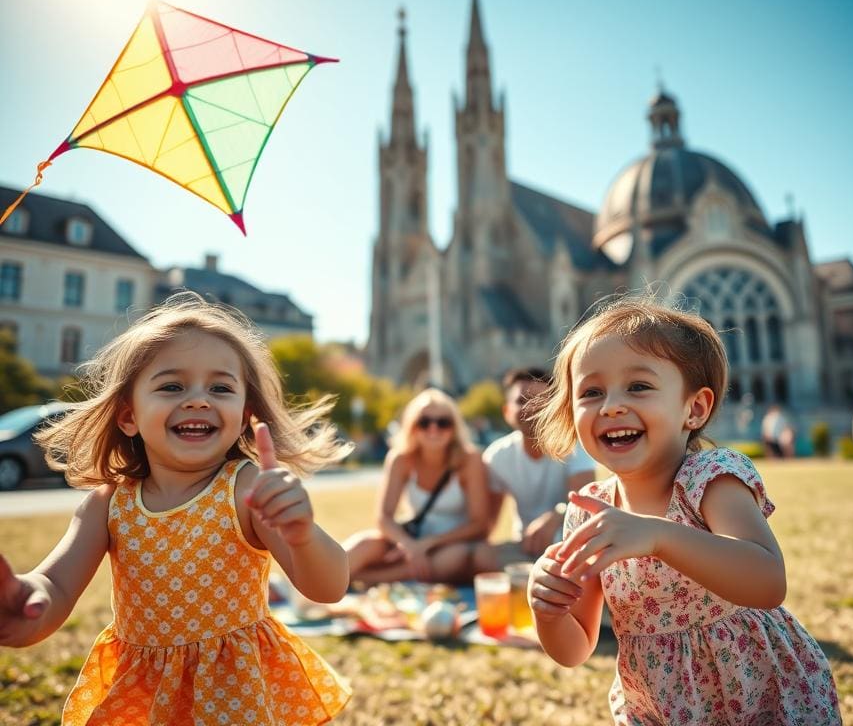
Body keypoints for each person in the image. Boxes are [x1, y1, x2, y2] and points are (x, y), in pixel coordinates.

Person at [0, 292, 351, 724]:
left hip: (234, 694)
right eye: (172, 386)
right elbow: (57, 587)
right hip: (144, 696)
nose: (199, 400)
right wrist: (28, 604)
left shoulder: (247, 488)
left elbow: (329, 588)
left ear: (244, 416)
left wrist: (304, 536)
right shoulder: (109, 504)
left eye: (221, 387)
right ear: (128, 416)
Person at [527, 295, 841, 724]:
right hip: (658, 708)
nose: (611, 405)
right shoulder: (590, 511)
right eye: (591, 392)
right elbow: (576, 648)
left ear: (694, 409)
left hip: (754, 698)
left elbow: (768, 582)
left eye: (638, 386)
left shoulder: (709, 480)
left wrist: (658, 536)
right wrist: (548, 611)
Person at [344, 388, 488, 585]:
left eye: (443, 423)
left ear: (454, 428)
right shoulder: (400, 459)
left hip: (453, 543)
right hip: (412, 538)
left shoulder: (470, 459)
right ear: (412, 427)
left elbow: (479, 525)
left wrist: (428, 544)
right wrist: (409, 545)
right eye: (424, 422)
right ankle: (314, 583)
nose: (433, 429)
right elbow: (383, 517)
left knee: (458, 556)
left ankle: (365, 579)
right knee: (365, 543)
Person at [473, 368, 594, 572]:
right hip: (525, 546)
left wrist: (556, 516)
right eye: (521, 401)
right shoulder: (497, 456)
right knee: (481, 556)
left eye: (540, 400)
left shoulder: (573, 446)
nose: (530, 407)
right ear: (506, 411)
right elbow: (489, 524)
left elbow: (586, 505)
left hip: (567, 546)